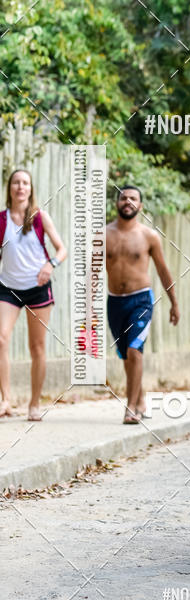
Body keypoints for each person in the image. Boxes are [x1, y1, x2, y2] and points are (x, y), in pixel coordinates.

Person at [106, 185, 180, 424]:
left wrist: (174, 303)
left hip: (141, 300)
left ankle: (130, 408)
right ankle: (140, 397)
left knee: (134, 351)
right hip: (114, 302)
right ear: (117, 204)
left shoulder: (149, 236)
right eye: (123, 198)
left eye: (133, 198)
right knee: (126, 356)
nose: (128, 201)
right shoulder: (103, 234)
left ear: (140, 206)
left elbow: (162, 270)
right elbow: (92, 272)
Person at [0, 168, 67, 420]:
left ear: (30, 188)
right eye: (16, 182)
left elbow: (62, 249)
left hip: (38, 290)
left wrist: (51, 265)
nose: (20, 187)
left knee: (37, 347)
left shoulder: (40, 217)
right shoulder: (2, 220)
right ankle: (5, 401)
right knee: (1, 339)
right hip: (7, 288)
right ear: (10, 188)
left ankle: (34, 404)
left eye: (25, 183)